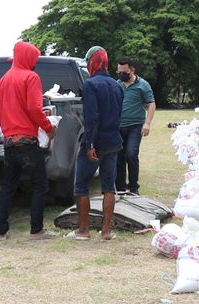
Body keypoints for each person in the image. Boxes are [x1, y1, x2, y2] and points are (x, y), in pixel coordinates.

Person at [0, 41, 57, 240]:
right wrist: (48, 128)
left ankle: (1, 231)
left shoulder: (4, 79)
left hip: (10, 142)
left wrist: (7, 127)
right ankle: (36, 229)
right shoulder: (31, 77)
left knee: (8, 186)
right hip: (28, 141)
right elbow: (34, 109)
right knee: (40, 185)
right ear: (28, 58)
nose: (35, 63)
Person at [65, 46, 124, 241]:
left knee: (81, 186)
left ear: (92, 62)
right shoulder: (117, 85)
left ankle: (83, 231)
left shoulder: (91, 84)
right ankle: (106, 232)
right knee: (109, 187)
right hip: (114, 142)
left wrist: (89, 144)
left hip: (95, 143)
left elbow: (92, 117)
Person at [115, 57, 156, 195]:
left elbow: (151, 103)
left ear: (132, 70)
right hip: (118, 126)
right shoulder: (117, 85)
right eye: (119, 72)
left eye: (124, 72)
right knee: (118, 157)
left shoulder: (143, 85)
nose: (121, 74)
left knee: (131, 154)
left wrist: (147, 124)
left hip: (135, 126)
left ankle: (133, 188)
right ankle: (120, 188)